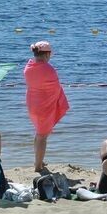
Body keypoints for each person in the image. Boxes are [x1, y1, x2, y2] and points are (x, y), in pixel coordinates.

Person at [24, 40, 69, 173]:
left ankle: (38, 160)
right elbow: (55, 88)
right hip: (44, 106)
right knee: (42, 136)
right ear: (47, 54)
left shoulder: (28, 67)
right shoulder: (49, 69)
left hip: (32, 104)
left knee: (39, 133)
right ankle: (38, 166)